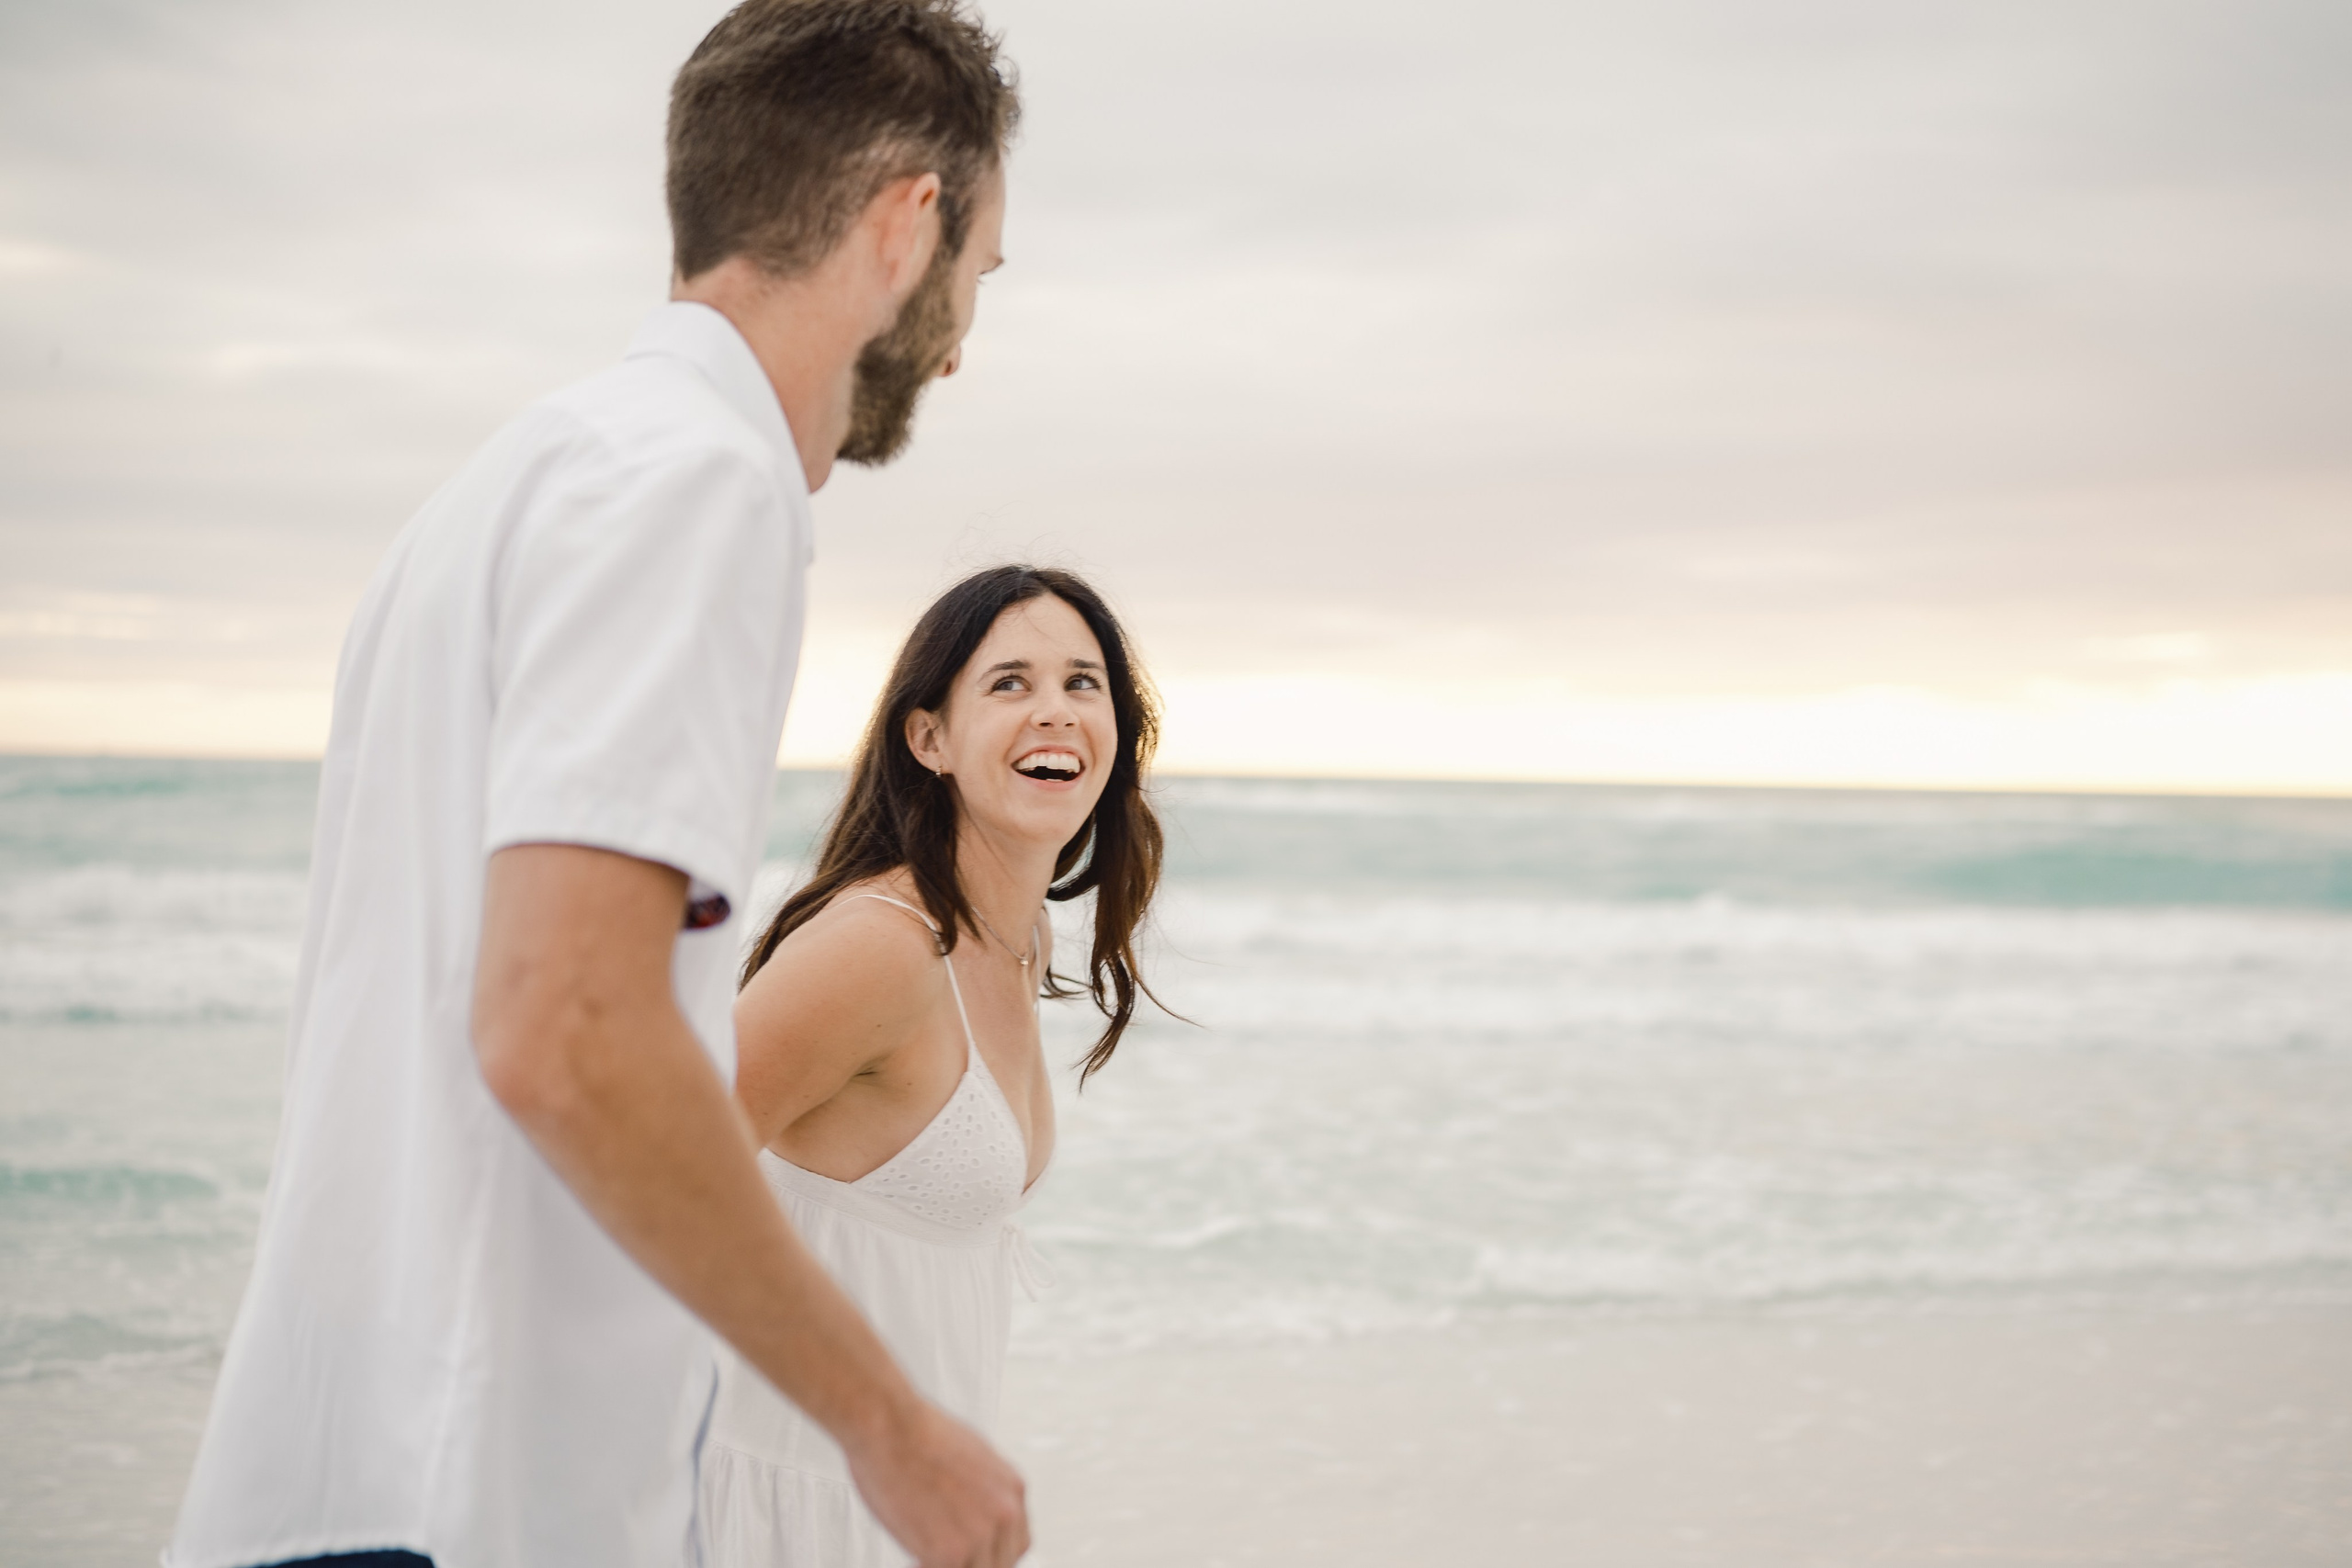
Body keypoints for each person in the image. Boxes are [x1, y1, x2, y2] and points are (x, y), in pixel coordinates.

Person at [165, 6, 1028, 1567]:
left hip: (360, 1457)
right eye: (978, 272)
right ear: (908, 223)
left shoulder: (521, 474)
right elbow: (567, 1025)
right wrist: (887, 1426)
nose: (963, 336)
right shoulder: (695, 482)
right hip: (476, 1496)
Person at [690, 565, 1164, 1566]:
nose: (1057, 711)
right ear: (928, 739)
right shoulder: (880, 946)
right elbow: (658, 1177)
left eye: (1085, 684)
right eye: (1009, 683)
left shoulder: (1014, 938)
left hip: (901, 1505)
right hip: (781, 1500)